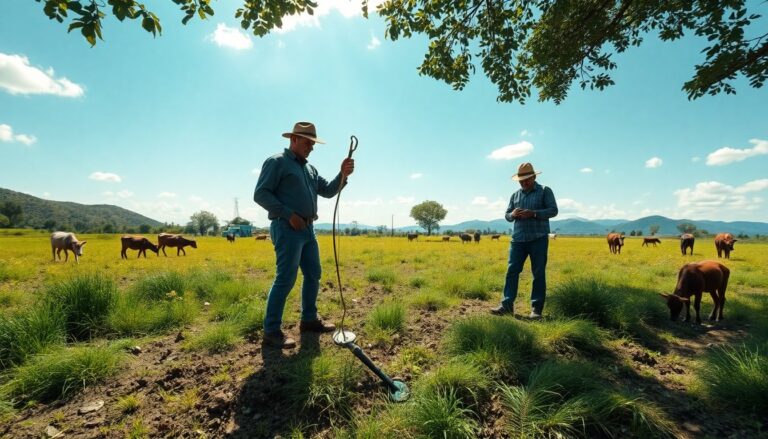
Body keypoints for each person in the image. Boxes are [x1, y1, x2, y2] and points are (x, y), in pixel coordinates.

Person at [254, 122, 355, 348]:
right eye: (307, 142)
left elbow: (328, 191)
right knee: (286, 278)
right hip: (287, 228)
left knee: (313, 274)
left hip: (309, 229)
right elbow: (260, 194)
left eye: (313, 143)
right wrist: (289, 214)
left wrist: (343, 173)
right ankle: (271, 331)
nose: (311, 147)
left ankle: (308, 320)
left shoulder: (310, 169)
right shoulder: (277, 162)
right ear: (294, 140)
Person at [491, 162, 558, 319]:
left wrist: (533, 213)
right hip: (518, 240)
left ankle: (536, 310)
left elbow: (553, 210)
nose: (524, 183)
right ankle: (506, 306)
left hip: (538, 238)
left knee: (538, 273)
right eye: (521, 180)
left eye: (527, 179)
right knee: (512, 271)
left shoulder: (545, 191)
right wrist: (513, 214)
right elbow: (507, 215)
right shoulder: (515, 195)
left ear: (534, 177)